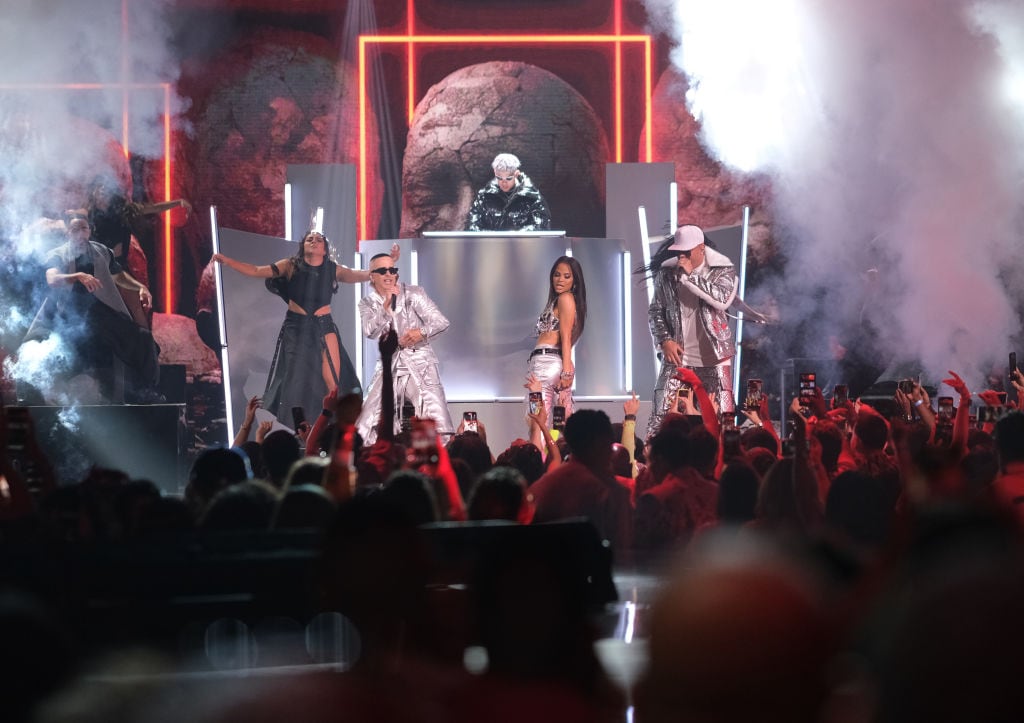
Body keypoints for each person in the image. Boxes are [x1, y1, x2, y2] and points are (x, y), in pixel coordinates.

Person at [213, 232, 396, 422]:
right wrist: (228, 261)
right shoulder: (290, 265)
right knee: (295, 380)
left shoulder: (333, 269)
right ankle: (302, 428)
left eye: (319, 240)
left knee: (332, 378)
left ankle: (332, 424)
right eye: (310, 239)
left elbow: (364, 274)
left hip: (323, 325)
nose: (314, 241)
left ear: (324, 250)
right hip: (296, 327)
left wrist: (386, 266)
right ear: (303, 246)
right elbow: (257, 270)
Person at [19, 213, 161, 403]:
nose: (80, 234)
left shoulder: (102, 251)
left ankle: (147, 391)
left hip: (101, 311)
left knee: (142, 339)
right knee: (38, 351)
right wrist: (77, 276)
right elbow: (52, 279)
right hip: (68, 315)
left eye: (84, 229)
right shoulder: (58, 254)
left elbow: (119, 276)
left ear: (90, 231)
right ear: (68, 233)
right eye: (75, 230)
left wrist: (141, 287)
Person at [637, 224, 738, 440]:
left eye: (687, 252)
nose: (682, 257)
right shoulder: (667, 273)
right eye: (679, 252)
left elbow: (721, 299)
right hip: (679, 358)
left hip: (715, 358)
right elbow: (656, 310)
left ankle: (722, 464)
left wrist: (690, 276)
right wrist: (665, 340)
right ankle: (651, 462)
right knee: (660, 417)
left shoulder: (722, 269)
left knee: (722, 418)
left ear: (701, 248)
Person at [354, 252, 454, 444]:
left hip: (420, 364)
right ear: (371, 276)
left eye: (393, 270)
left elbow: (441, 322)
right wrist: (385, 306)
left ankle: (433, 465)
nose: (389, 274)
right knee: (366, 425)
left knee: (437, 423)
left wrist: (421, 332)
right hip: (389, 366)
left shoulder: (414, 293)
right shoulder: (367, 303)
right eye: (383, 270)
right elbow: (369, 331)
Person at [525, 255, 587, 449]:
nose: (560, 280)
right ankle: (552, 459)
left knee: (539, 420)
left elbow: (566, 338)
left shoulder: (566, 299)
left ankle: (541, 462)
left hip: (548, 363)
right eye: (557, 275)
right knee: (554, 422)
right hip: (547, 362)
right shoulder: (559, 300)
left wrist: (567, 372)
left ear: (575, 281)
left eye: (567, 276)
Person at [466, 153, 551, 231]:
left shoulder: (532, 198)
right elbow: (473, 226)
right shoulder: (484, 197)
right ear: (495, 173)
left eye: (509, 178)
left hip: (522, 246)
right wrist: (496, 240)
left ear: (516, 174)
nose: (504, 182)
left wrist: (514, 238)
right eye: (499, 178)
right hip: (491, 246)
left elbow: (541, 227)